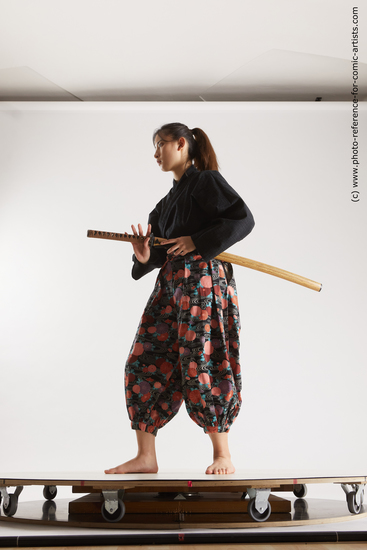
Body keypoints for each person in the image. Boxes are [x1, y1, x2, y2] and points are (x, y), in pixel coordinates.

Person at [105, 123, 254, 475]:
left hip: (202, 282)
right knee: (144, 358)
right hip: (170, 285)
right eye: (155, 147)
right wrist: (143, 254)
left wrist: (197, 242)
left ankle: (223, 454)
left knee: (202, 358)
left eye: (161, 145)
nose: (156, 153)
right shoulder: (166, 203)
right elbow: (157, 252)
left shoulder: (206, 182)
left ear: (182, 144)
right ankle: (146, 456)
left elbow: (242, 219)